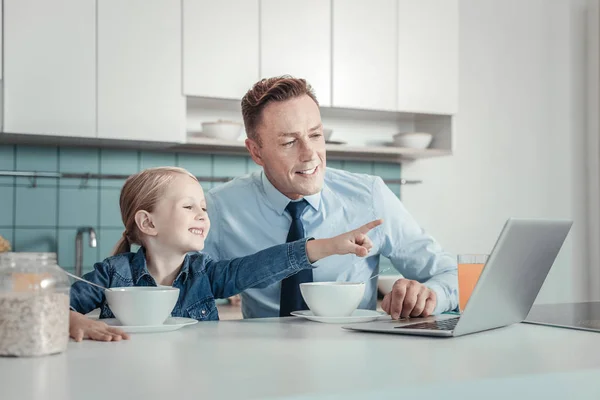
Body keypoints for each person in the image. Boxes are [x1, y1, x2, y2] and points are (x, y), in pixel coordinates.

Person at [204, 76, 459, 320]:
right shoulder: (220, 207)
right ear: (256, 152)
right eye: (290, 142)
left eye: (315, 135)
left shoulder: (369, 196)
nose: (309, 154)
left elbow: (450, 274)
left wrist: (430, 296)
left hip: (353, 356)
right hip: (259, 356)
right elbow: (185, 284)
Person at [68, 166, 382, 342]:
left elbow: (261, 266)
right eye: (189, 207)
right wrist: (71, 320)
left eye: (203, 207)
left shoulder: (207, 274)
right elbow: (54, 304)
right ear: (148, 222)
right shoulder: (112, 274)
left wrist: (330, 245)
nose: (203, 215)